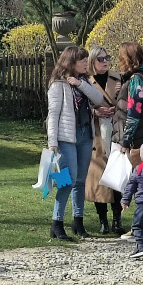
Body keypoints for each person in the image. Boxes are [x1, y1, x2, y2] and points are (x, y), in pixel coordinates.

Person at [46, 45, 107, 241]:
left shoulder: (83, 81)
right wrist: (52, 142)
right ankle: (57, 223)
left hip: (84, 136)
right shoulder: (58, 85)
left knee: (80, 181)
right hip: (66, 139)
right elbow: (53, 115)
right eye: (82, 60)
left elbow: (99, 98)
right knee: (67, 180)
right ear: (71, 62)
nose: (85, 63)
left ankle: (78, 222)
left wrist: (80, 84)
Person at [83, 46, 125, 234]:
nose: (105, 61)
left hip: (116, 132)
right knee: (98, 180)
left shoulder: (118, 78)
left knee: (116, 177)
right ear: (92, 61)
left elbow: (127, 104)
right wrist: (95, 111)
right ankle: (103, 221)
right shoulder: (85, 81)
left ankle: (117, 220)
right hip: (96, 135)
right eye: (100, 59)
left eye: (107, 57)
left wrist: (119, 98)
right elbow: (80, 107)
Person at [112, 41, 143, 168]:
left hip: (136, 140)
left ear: (127, 59)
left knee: (133, 181)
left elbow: (133, 114)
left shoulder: (136, 80)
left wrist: (125, 141)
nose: (119, 61)